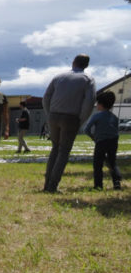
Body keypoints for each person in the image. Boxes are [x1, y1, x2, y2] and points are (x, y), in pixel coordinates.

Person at [42, 54, 95, 193]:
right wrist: (81, 120)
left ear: (73, 62)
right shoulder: (88, 79)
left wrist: (49, 115)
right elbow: (89, 103)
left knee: (55, 149)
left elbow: (46, 98)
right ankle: (53, 185)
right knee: (64, 151)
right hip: (71, 117)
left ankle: (47, 183)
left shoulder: (58, 77)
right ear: (86, 65)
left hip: (54, 115)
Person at [84, 91, 122, 190]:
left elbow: (86, 130)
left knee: (98, 164)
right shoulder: (114, 117)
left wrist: (94, 138)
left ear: (100, 104)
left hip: (101, 142)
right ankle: (117, 182)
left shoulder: (97, 116)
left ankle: (98, 185)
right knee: (112, 162)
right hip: (113, 141)